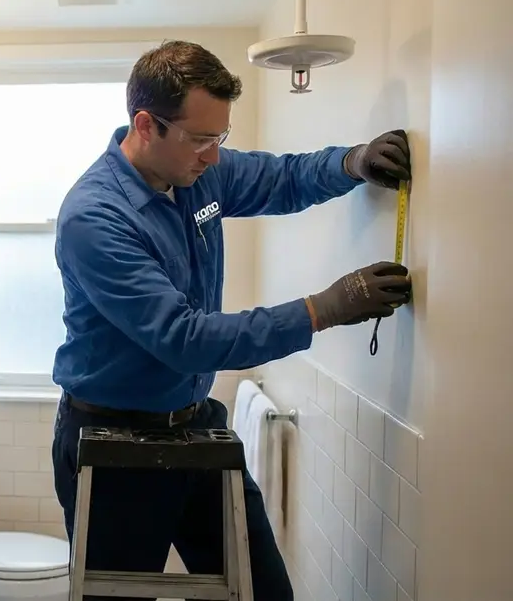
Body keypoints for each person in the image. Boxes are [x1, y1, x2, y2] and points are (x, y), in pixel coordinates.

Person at [50, 40, 413, 600]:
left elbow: (281, 178)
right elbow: (185, 339)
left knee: (265, 592)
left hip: (195, 425)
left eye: (221, 138)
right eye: (200, 140)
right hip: (113, 444)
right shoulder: (95, 218)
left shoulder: (201, 177)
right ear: (146, 125)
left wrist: (352, 161)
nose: (214, 155)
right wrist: (325, 308)